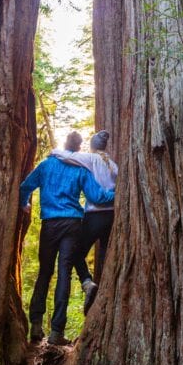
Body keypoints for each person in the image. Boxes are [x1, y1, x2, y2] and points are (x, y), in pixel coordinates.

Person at [19, 131, 115, 346]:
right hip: (72, 225)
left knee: (44, 272)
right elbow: (98, 196)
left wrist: (24, 203)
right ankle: (56, 332)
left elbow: (25, 186)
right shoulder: (80, 169)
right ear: (79, 148)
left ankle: (35, 325)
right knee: (65, 273)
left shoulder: (46, 165)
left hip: (49, 224)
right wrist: (119, 192)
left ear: (64, 144)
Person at [51, 130, 118, 314]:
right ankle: (106, 291)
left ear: (93, 146)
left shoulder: (91, 159)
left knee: (75, 253)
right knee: (105, 256)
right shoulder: (113, 165)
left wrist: (54, 152)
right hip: (111, 216)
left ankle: (87, 281)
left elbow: (68, 156)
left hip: (94, 215)